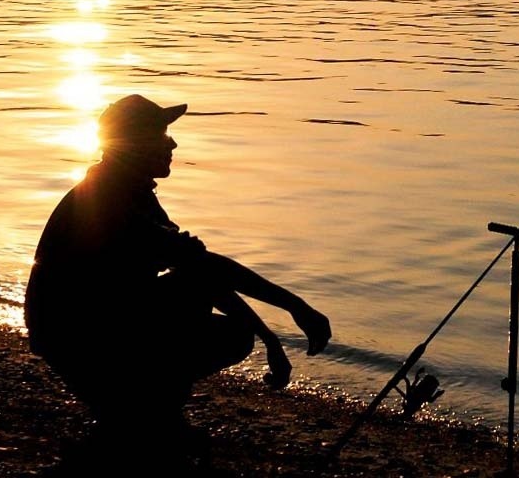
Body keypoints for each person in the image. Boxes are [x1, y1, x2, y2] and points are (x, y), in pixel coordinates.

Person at [24, 94, 331, 453]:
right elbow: (206, 267)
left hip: (92, 328)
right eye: (161, 135)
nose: (172, 143)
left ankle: (141, 410)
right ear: (134, 146)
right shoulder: (107, 201)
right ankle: (135, 411)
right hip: (77, 339)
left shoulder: (130, 193)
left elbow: (198, 271)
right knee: (227, 331)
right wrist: (295, 307)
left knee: (224, 319)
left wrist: (269, 338)